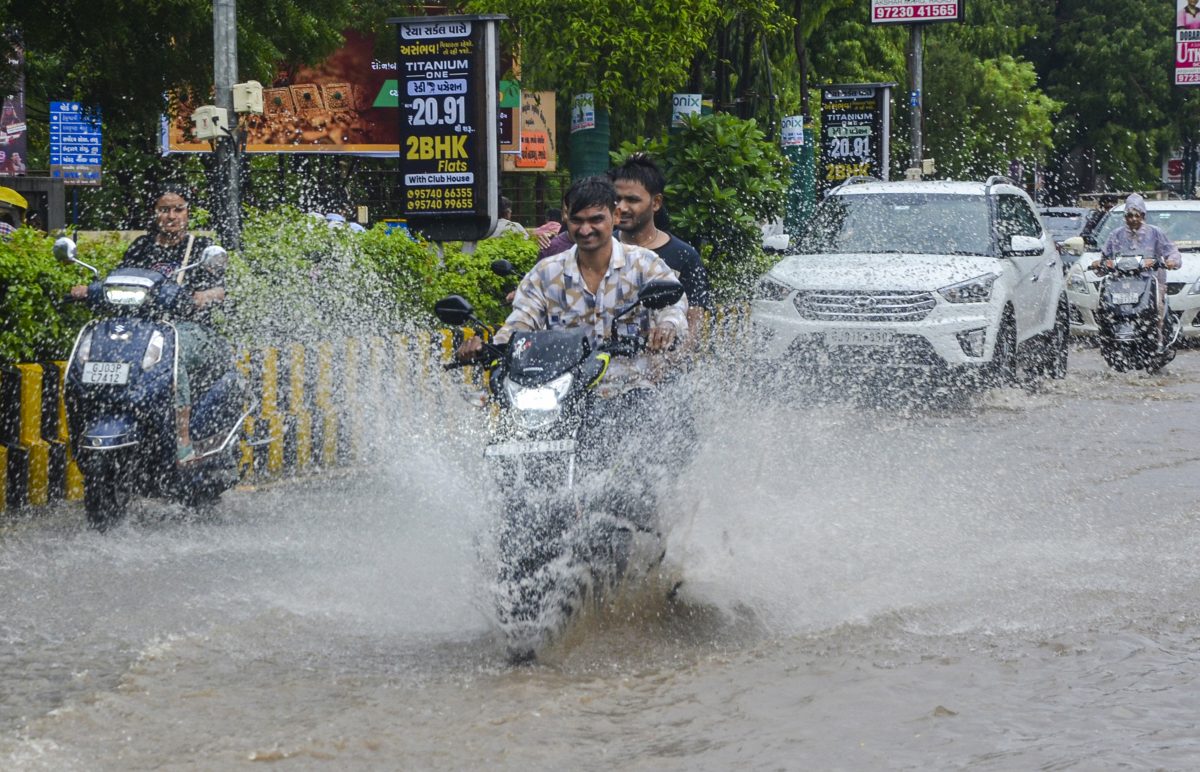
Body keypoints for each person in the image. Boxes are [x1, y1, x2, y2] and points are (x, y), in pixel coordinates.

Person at [457, 175, 686, 391]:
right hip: (560, 392)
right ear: (566, 218)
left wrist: (667, 326)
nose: (585, 229)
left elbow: (674, 304)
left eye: (596, 219)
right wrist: (488, 347)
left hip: (632, 388)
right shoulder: (546, 274)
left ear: (615, 216)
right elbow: (520, 323)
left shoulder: (643, 264)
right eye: (577, 220)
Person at [70, 185, 230, 463]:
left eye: (178, 209)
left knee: (172, 357)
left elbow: (223, 290)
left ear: (187, 213)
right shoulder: (141, 246)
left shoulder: (202, 248)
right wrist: (89, 289)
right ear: (154, 213)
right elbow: (118, 278)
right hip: (144, 329)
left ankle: (183, 440)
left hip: (190, 330)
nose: (171, 216)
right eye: (164, 209)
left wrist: (204, 296)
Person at [608, 153, 711, 338]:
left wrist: (667, 360)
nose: (621, 207)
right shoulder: (603, 250)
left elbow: (694, 328)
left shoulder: (684, 256)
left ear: (656, 203)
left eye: (632, 200)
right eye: (617, 199)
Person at [1091, 193, 1182, 349]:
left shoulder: (1155, 233)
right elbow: (1105, 258)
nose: (1133, 219)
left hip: (1150, 284)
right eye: (1129, 215)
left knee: (1157, 310)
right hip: (1121, 285)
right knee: (1106, 310)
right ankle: (1107, 340)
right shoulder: (1116, 235)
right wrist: (1099, 264)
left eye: (1136, 215)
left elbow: (1172, 251)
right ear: (1125, 216)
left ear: (1143, 215)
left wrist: (1171, 261)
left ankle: (1159, 340)